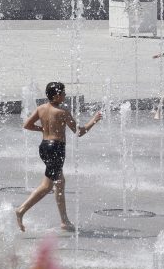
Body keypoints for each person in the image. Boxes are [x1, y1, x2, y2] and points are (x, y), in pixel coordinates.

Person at [15, 82, 102, 232]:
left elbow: (27, 125)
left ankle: (64, 221)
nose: (65, 95)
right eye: (63, 93)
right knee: (47, 185)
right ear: (56, 95)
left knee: (60, 183)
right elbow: (79, 132)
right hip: (56, 149)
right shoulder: (62, 112)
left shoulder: (41, 108)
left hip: (44, 146)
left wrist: (42, 128)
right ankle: (21, 210)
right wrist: (94, 120)